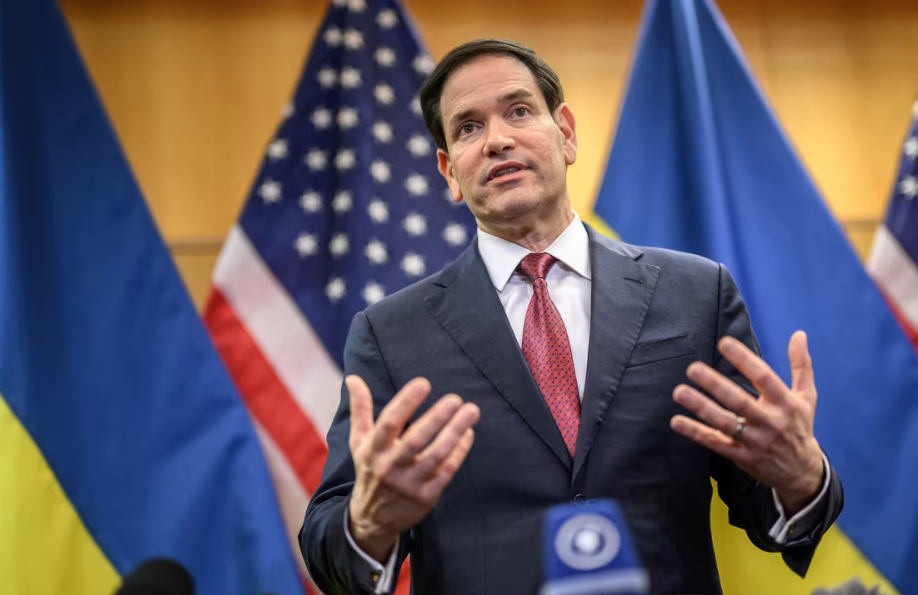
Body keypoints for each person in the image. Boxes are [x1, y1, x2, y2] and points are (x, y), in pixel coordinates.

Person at [299, 38, 843, 595]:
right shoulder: (391, 334)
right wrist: (368, 524)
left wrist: (802, 475)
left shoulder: (696, 293)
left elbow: (765, 506)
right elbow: (327, 540)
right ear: (450, 172)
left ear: (566, 133)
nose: (497, 140)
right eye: (468, 128)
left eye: (518, 111)